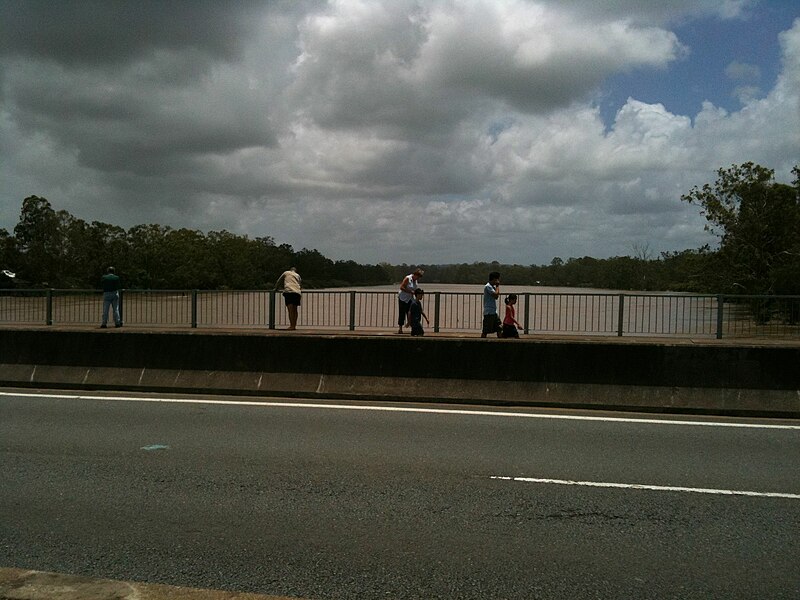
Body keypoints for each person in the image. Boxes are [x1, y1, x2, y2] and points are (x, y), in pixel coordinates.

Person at [397, 268, 424, 334]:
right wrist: (410, 292)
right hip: (403, 298)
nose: (418, 278)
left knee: (411, 313)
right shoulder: (408, 278)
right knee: (402, 313)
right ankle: (400, 328)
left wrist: (418, 295)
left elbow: (415, 290)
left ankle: (413, 327)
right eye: (418, 276)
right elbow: (402, 287)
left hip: (410, 299)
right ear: (415, 274)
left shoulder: (416, 281)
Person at [481, 271, 502, 338]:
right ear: (494, 279)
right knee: (486, 330)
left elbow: (496, 296)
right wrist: (498, 286)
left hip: (493, 311)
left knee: (499, 328)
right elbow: (496, 295)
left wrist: (496, 287)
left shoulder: (492, 287)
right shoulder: (488, 286)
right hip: (489, 312)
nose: (498, 281)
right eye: (497, 279)